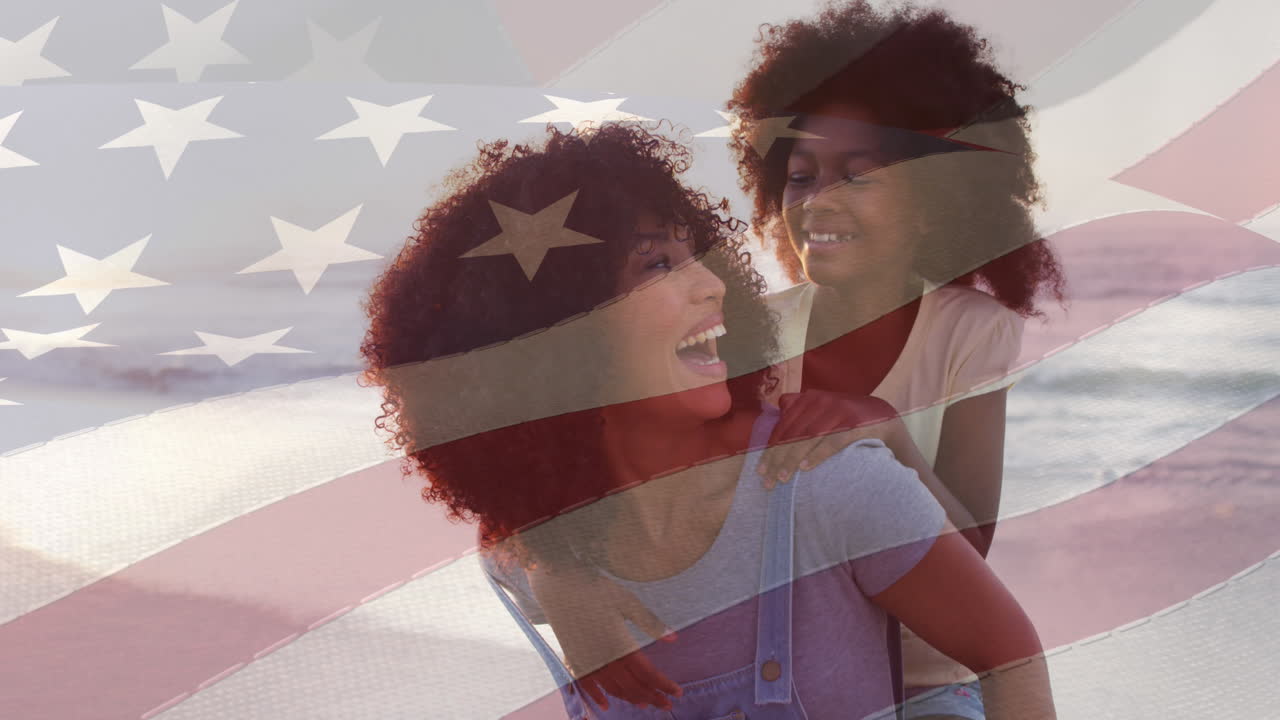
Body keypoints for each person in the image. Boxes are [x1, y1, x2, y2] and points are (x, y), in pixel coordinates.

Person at [358, 122, 1055, 720]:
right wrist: (556, 577)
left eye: (697, 255)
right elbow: (508, 541)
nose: (713, 282)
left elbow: (1011, 655)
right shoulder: (533, 550)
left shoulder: (825, 485)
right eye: (659, 264)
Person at [526, 3, 1068, 719]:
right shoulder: (754, 333)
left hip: (928, 683)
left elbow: (971, 547)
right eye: (801, 176)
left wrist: (888, 434)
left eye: (858, 176)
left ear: (936, 202)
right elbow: (629, 477)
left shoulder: (972, 333)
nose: (817, 200)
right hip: (788, 658)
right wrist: (557, 576)